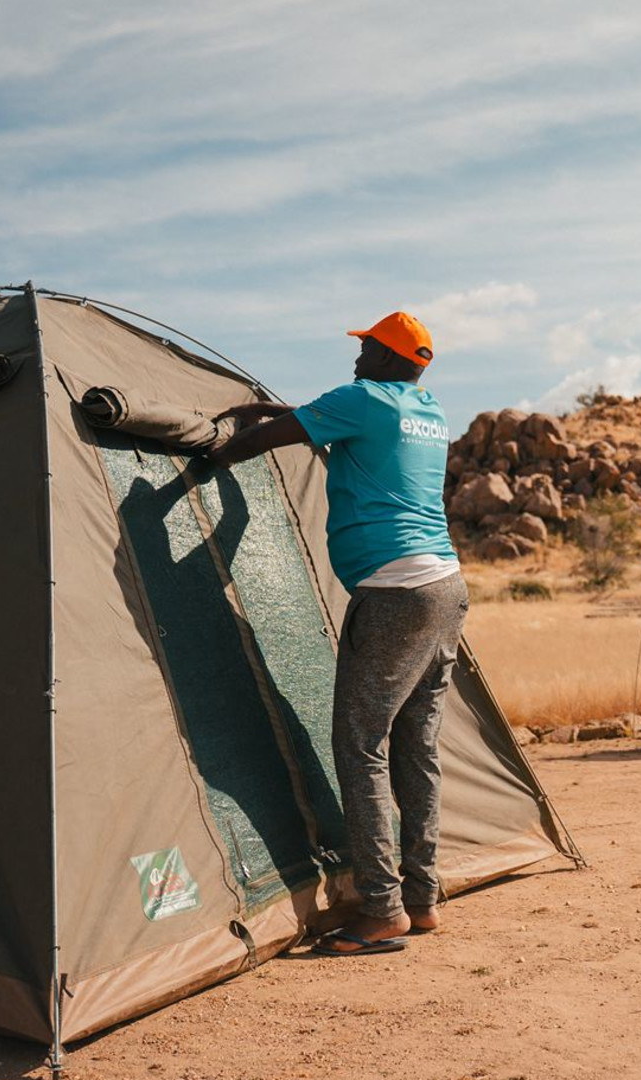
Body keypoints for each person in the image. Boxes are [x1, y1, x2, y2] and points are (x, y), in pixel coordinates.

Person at [204, 312, 464, 956]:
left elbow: (263, 443)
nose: (357, 356)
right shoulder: (426, 410)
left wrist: (210, 450)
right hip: (446, 591)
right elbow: (356, 424)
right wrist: (284, 409)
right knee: (416, 746)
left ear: (386, 356)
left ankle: (381, 909)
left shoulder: (360, 398)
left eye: (367, 346)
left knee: (359, 745)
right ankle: (422, 898)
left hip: (394, 593)